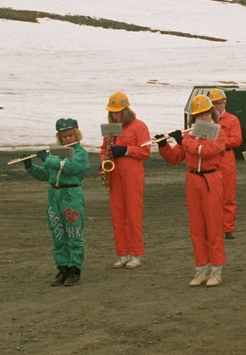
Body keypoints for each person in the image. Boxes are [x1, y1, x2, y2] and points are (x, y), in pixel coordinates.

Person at [157, 95, 228, 287]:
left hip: (211, 179)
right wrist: (164, 146)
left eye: (206, 113)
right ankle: (201, 268)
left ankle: (216, 270)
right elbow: (176, 158)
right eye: (198, 115)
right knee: (196, 227)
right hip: (193, 179)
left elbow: (206, 151)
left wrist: (184, 142)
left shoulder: (218, 132)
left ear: (211, 113)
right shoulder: (189, 135)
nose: (203, 118)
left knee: (213, 226)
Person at [23, 118, 91, 286]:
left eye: (71, 135)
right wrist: (30, 166)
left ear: (77, 135)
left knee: (74, 232)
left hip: (71, 195)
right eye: (64, 136)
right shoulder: (55, 153)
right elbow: (46, 175)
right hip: (54, 195)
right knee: (58, 232)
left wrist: (47, 160)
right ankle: (62, 268)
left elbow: (71, 167)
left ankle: (75, 268)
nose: (68, 139)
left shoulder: (81, 153)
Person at [101, 92, 151, 269]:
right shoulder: (111, 128)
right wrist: (103, 161)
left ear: (126, 109)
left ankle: (136, 255)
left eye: (118, 112)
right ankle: (122, 254)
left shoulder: (139, 126)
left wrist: (126, 150)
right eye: (113, 112)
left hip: (132, 175)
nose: (115, 115)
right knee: (117, 215)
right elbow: (103, 149)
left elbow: (145, 151)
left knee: (133, 214)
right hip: (115, 174)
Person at [208, 89, 243, 239]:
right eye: (214, 104)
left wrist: (218, 143)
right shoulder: (206, 120)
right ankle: (213, 227)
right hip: (210, 159)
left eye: (219, 103)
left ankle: (228, 228)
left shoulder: (232, 120)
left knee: (228, 195)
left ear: (225, 103)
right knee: (210, 196)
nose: (217, 106)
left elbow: (237, 140)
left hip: (226, 160)